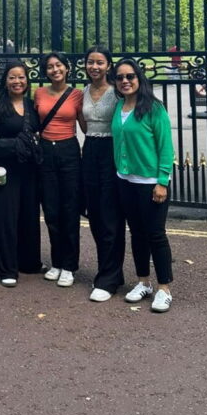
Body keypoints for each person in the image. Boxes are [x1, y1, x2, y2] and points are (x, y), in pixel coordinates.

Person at [112, 57, 175, 312]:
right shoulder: (119, 107)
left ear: (139, 78)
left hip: (150, 182)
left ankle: (164, 288)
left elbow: (166, 147)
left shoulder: (153, 108)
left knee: (156, 235)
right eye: (120, 77)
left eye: (130, 76)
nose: (125, 81)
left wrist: (162, 181)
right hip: (125, 180)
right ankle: (143, 282)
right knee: (136, 233)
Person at [0, 60, 42, 286]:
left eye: (21, 77)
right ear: (5, 80)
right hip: (5, 167)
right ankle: (6, 268)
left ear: (27, 80)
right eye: (12, 77)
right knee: (5, 216)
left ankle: (29, 261)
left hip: (29, 167)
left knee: (29, 215)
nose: (17, 81)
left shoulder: (32, 105)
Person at [78, 45, 125, 303]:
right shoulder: (83, 92)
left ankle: (107, 278)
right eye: (90, 62)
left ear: (108, 66)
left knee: (110, 216)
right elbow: (84, 125)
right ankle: (112, 272)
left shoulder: (117, 93)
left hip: (111, 151)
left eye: (100, 62)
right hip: (91, 150)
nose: (94, 66)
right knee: (94, 214)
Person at [34, 51, 83, 288]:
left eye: (59, 65)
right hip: (45, 151)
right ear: (46, 71)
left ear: (67, 68)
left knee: (70, 209)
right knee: (51, 210)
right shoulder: (39, 93)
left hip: (69, 151)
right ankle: (56, 262)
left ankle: (70, 265)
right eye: (50, 67)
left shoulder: (77, 95)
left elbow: (85, 125)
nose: (55, 70)